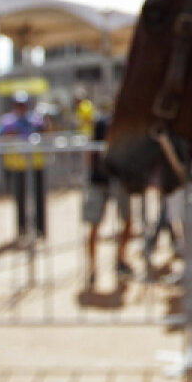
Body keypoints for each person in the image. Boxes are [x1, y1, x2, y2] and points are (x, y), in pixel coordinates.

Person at [82, 112, 134, 288]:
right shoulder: (100, 123)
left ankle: (120, 259)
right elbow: (91, 151)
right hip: (100, 181)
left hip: (120, 180)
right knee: (94, 225)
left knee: (127, 221)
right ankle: (92, 267)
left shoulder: (127, 122)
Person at [0, 90, 47, 240]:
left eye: (23, 104)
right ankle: (22, 229)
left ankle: (40, 229)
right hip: (18, 166)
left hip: (36, 164)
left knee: (39, 198)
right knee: (20, 199)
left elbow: (47, 132)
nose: (21, 107)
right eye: (19, 104)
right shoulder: (7, 121)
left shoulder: (36, 119)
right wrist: (8, 135)